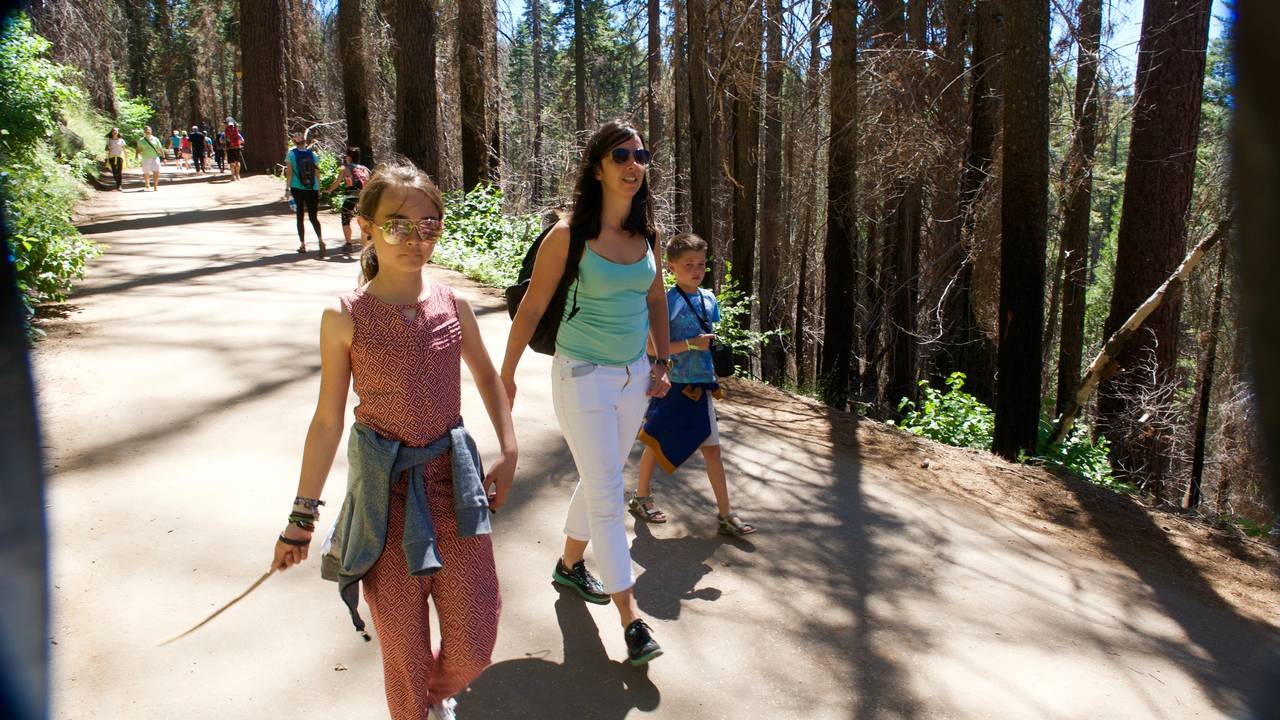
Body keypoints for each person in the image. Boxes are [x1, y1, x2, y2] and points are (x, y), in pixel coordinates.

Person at [270, 160, 515, 720]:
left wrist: (510, 448)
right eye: (398, 225)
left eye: (428, 226)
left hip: (456, 491)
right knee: (402, 653)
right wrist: (300, 518)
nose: (414, 239)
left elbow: (486, 376)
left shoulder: (453, 304)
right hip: (386, 502)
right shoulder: (344, 316)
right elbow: (328, 421)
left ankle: (433, 698)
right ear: (366, 226)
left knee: (475, 641)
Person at [500, 119, 670, 666]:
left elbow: (655, 302)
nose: (632, 165)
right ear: (597, 166)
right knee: (606, 492)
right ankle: (632, 619)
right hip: (581, 375)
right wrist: (504, 375)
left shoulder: (648, 235)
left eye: (641, 155)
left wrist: (662, 361)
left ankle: (570, 565)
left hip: (633, 377)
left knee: (601, 477)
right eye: (621, 154)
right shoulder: (568, 234)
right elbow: (530, 307)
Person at [631, 233, 756, 536]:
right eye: (689, 264)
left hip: (703, 386)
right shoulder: (666, 302)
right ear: (671, 267)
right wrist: (690, 344)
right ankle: (641, 497)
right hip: (673, 385)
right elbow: (651, 349)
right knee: (655, 440)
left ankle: (725, 514)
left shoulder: (710, 299)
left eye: (701, 264)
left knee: (712, 451)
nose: (697, 270)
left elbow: (707, 338)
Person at [284, 130, 325, 257]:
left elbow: (289, 173)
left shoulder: (291, 154)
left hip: (297, 188)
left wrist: (287, 188)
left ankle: (302, 244)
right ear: (304, 141)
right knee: (314, 217)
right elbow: (317, 173)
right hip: (312, 188)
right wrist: (318, 188)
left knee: (300, 216)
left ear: (294, 141)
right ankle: (320, 239)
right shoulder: (312, 154)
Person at [325, 146, 371, 254]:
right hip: (363, 198)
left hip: (350, 197)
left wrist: (328, 190)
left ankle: (349, 244)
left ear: (349, 157)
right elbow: (369, 184)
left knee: (345, 219)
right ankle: (366, 246)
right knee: (362, 221)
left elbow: (337, 182)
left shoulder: (345, 168)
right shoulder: (365, 169)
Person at [135, 126, 166, 191]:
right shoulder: (141, 140)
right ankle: (147, 183)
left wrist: (163, 157)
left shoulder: (155, 139)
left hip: (155, 157)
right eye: (146, 130)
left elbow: (160, 148)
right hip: (145, 158)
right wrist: (136, 155)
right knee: (146, 172)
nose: (148, 131)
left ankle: (155, 186)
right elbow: (138, 148)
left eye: (149, 130)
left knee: (157, 171)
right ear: (144, 132)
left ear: (151, 131)